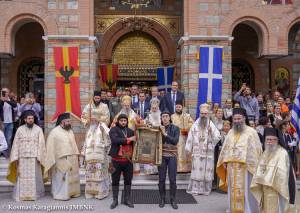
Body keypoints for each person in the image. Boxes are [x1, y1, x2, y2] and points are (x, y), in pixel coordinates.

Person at [217, 108, 262, 213]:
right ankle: (233, 208)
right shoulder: (231, 132)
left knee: (246, 190)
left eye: (239, 118)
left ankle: (248, 209)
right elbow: (225, 148)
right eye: (235, 119)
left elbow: (257, 150)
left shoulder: (252, 132)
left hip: (246, 168)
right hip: (232, 167)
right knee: (233, 189)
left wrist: (251, 162)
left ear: (244, 118)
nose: (237, 121)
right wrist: (224, 161)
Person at [250, 127, 297, 212]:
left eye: (272, 139)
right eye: (268, 139)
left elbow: (283, 174)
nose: (269, 142)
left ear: (277, 140)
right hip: (265, 189)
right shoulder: (265, 153)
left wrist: (268, 179)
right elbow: (259, 169)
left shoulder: (282, 153)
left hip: (277, 190)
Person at [7, 110, 46, 201]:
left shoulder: (38, 129)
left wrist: (40, 156)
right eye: (29, 119)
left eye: (32, 118)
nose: (31, 120)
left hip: (34, 157)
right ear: (25, 119)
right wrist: (15, 157)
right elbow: (16, 143)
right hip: (22, 157)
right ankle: (21, 195)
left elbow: (41, 144)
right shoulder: (20, 129)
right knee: (22, 176)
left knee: (34, 176)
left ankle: (35, 194)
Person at [185, 104, 221, 195]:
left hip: (207, 152)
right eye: (202, 113)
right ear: (199, 114)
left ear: (208, 114)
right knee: (197, 169)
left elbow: (218, 137)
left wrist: (211, 131)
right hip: (197, 152)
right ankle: (195, 189)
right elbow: (190, 136)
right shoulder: (195, 125)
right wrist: (188, 149)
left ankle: (205, 190)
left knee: (206, 170)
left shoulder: (210, 124)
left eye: (205, 113)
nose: (203, 115)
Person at [81, 91, 111, 199]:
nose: (97, 99)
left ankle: (101, 191)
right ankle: (90, 191)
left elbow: (107, 119)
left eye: (99, 98)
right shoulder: (88, 106)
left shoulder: (104, 106)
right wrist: (88, 120)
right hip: (90, 134)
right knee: (90, 161)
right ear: (93, 97)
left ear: (100, 98)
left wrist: (98, 120)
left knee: (100, 161)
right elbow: (83, 117)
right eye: (96, 98)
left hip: (100, 133)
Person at [44, 113, 80, 200]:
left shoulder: (70, 131)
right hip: (61, 159)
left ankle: (72, 193)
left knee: (71, 177)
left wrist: (77, 156)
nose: (69, 123)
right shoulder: (54, 132)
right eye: (67, 121)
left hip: (72, 158)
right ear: (62, 122)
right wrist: (52, 159)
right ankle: (60, 194)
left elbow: (74, 144)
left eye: (70, 121)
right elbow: (50, 147)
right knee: (62, 178)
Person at [109, 114, 135, 209]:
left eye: (125, 121)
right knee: (115, 180)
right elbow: (115, 140)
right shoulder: (113, 130)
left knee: (128, 180)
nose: (123, 122)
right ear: (118, 121)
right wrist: (128, 139)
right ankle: (115, 200)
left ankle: (127, 199)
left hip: (128, 161)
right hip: (115, 160)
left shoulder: (131, 131)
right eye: (121, 120)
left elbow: (135, 143)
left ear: (127, 122)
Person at [158, 110, 180, 209]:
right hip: (161, 156)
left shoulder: (175, 128)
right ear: (161, 118)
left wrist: (165, 134)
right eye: (163, 116)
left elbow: (175, 141)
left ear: (169, 118)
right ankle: (162, 198)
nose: (165, 118)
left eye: (166, 116)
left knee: (172, 179)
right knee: (161, 179)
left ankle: (173, 199)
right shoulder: (158, 128)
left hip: (172, 156)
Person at [171, 100, 194, 173]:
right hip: (176, 137)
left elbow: (192, 124)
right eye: (177, 107)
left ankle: (187, 168)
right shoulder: (172, 116)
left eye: (179, 107)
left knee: (185, 152)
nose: (178, 108)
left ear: (182, 107)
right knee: (178, 152)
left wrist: (187, 129)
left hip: (185, 137)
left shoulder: (187, 116)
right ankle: (178, 168)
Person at [0, 88, 17, 158]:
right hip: (2, 122)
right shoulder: (0, 100)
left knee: (9, 139)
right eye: (4, 92)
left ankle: (7, 154)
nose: (6, 93)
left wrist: (7, 100)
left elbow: (15, 105)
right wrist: (2, 100)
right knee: (1, 139)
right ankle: (2, 153)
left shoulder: (10, 100)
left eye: (7, 92)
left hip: (10, 122)